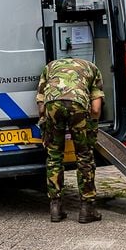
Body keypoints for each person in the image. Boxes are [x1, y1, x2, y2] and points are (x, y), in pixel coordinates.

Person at [36, 56, 105, 224]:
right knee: (84, 156)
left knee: (54, 156)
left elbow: (41, 106)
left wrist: (46, 123)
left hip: (52, 104)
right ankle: (87, 208)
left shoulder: (50, 67)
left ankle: (56, 207)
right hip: (78, 104)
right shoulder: (92, 69)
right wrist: (91, 129)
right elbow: (96, 109)